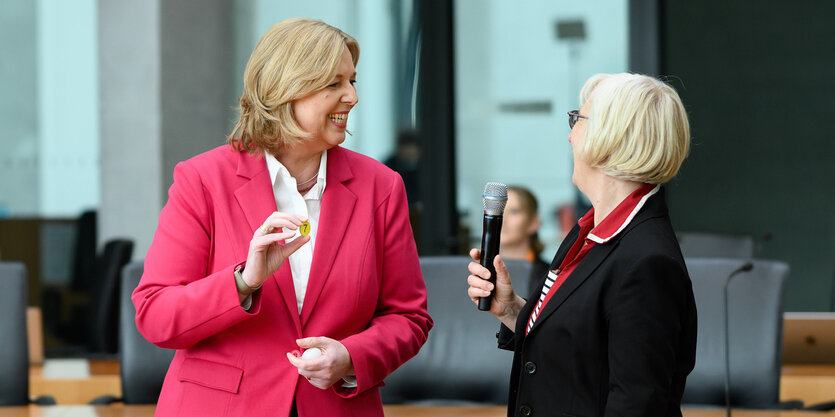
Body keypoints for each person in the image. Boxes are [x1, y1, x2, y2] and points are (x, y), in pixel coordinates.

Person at [133, 18, 432, 417]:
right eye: (333, 84)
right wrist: (243, 281)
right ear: (285, 90)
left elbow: (408, 316)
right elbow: (156, 315)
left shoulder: (381, 186)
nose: (352, 97)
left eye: (352, 82)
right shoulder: (203, 180)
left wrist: (350, 356)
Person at [466, 73, 697, 416]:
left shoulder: (647, 261)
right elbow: (582, 351)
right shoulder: (589, 231)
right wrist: (512, 309)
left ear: (613, 137)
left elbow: (636, 404)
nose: (570, 135)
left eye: (578, 119)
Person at [499, 186, 549, 295]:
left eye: (513, 212)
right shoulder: (478, 273)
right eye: (500, 210)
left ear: (533, 222)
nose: (503, 218)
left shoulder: (548, 278)